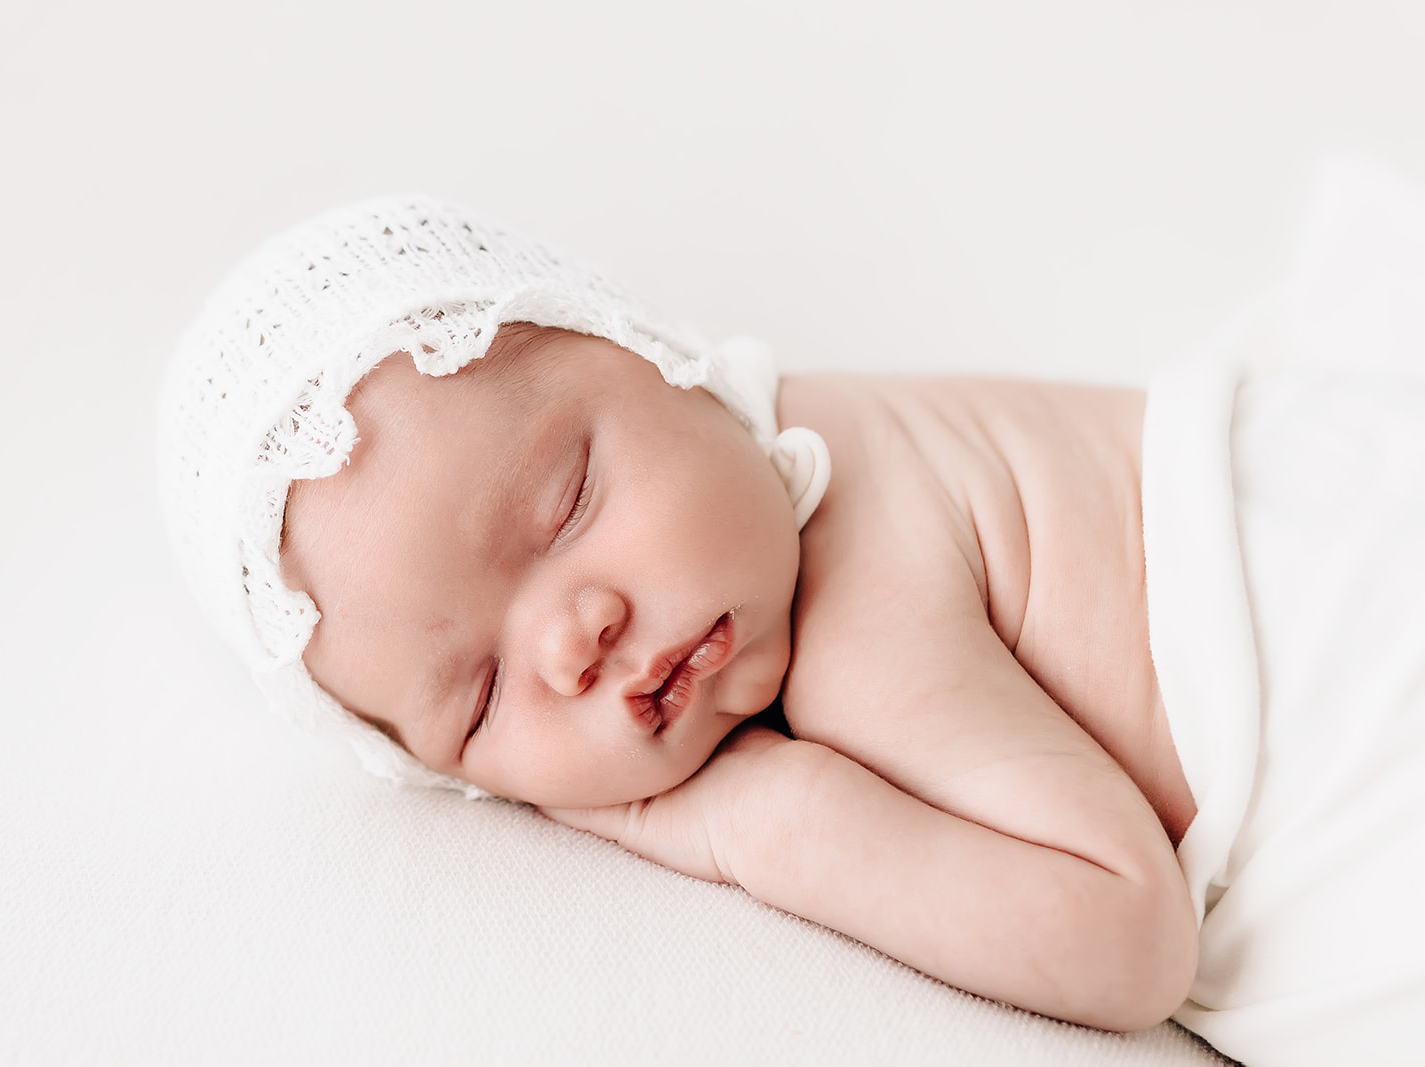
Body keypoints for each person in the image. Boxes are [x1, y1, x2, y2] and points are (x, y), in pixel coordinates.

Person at [159, 165, 1425, 1065]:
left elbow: (1123, 931)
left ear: (661, 355)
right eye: (481, 697)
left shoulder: (858, 607)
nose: (571, 639)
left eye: (566, 503)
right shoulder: (751, 442)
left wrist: (759, 820)